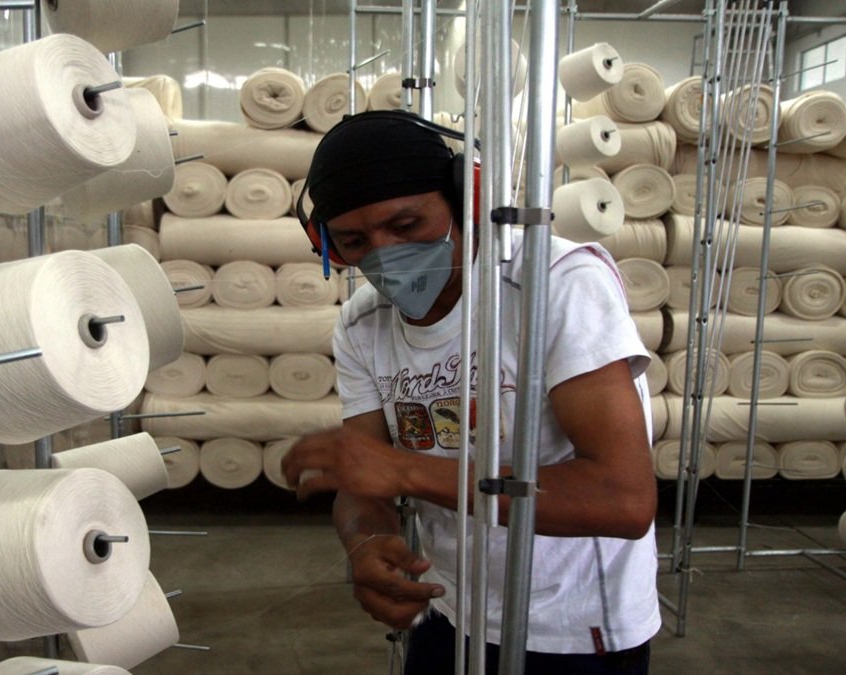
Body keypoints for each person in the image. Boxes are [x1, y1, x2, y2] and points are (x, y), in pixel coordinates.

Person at [282, 110, 660, 674]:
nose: (384, 254)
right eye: (356, 241)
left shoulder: (552, 286)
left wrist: (404, 471)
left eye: (407, 226)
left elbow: (623, 500)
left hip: (572, 625)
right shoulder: (364, 323)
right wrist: (366, 543)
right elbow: (366, 482)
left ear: (465, 202)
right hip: (447, 606)